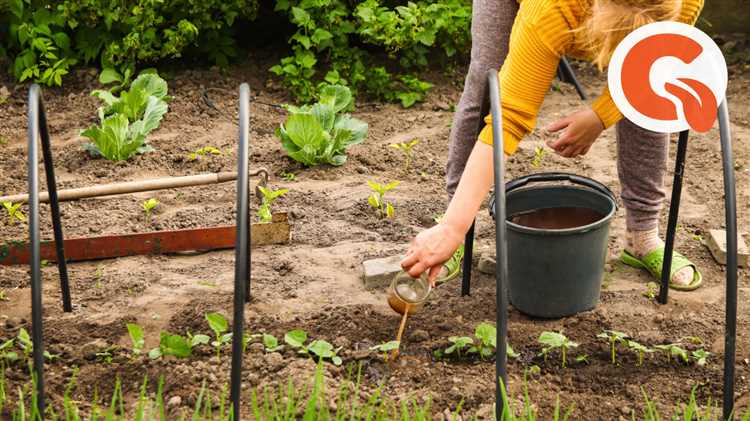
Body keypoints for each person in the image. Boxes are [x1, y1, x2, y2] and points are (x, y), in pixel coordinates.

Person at [404, 0, 705, 290]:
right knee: (487, 84)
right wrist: (453, 227)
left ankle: (643, 236)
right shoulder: (551, 7)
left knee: (651, 99)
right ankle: (453, 227)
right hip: (554, 9)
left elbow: (649, 70)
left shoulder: (684, 2)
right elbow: (507, 117)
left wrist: (600, 116)